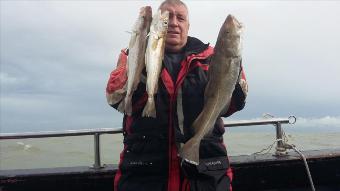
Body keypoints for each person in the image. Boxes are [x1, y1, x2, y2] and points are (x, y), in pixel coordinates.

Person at [106, 0, 248, 191]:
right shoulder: (133, 54)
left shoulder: (211, 58)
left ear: (188, 25)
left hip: (206, 174)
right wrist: (140, 59)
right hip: (144, 174)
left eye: (180, 18)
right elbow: (117, 99)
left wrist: (233, 69)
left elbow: (232, 106)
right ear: (156, 20)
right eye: (167, 17)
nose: (173, 23)